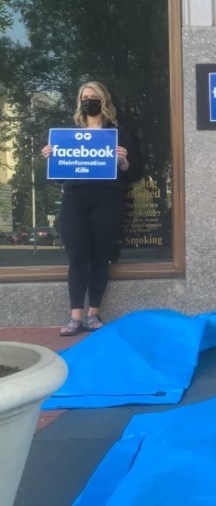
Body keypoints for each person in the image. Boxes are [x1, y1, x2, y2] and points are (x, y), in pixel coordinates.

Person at [42, 81, 142, 335]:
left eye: (94, 96)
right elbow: (57, 178)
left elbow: (136, 172)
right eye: (85, 96)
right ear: (80, 102)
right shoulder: (70, 135)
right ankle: (75, 317)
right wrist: (51, 159)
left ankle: (93, 313)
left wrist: (124, 161)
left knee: (100, 257)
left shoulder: (119, 133)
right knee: (77, 257)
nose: (89, 100)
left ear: (104, 100)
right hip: (75, 200)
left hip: (108, 200)